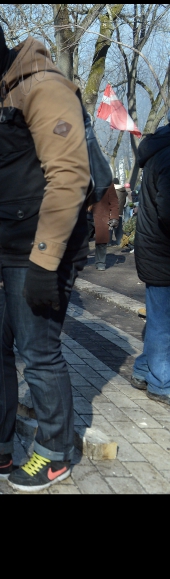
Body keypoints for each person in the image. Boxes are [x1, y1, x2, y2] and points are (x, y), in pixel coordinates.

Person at [0, 6, 90, 491]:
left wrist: (47, 260)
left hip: (36, 253)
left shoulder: (43, 86)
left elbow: (69, 176)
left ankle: (54, 451)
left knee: (39, 353)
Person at [131, 116, 170, 406]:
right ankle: (161, 383)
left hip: (154, 249)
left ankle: (145, 369)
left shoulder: (158, 151)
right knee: (162, 323)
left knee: (159, 317)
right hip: (162, 253)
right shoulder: (168, 157)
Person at [89, 183, 119, 271]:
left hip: (101, 216)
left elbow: (114, 202)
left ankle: (100, 263)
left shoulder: (107, 183)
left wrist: (114, 217)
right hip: (84, 216)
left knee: (101, 241)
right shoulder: (83, 178)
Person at [112, 178, 127, 245]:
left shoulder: (112, 190)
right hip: (120, 211)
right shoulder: (123, 191)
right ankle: (119, 241)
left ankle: (109, 242)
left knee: (109, 227)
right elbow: (126, 202)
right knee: (119, 228)